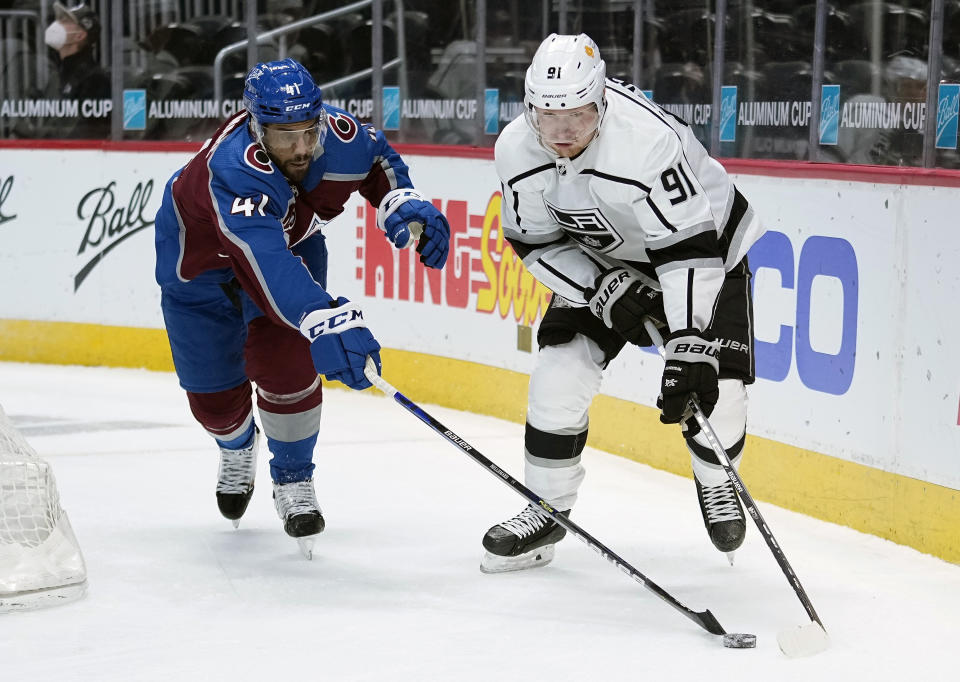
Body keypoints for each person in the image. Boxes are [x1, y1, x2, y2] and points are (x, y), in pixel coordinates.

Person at [481, 34, 766, 572]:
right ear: (529, 109)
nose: (563, 133)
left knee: (714, 393)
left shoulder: (646, 141)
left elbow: (688, 246)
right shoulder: (515, 148)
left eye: (581, 117)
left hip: (706, 250)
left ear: (603, 103)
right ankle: (546, 509)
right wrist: (600, 288)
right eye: (548, 118)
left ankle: (717, 478)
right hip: (603, 255)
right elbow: (535, 242)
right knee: (558, 375)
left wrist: (686, 343)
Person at [154, 58, 450, 557]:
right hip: (200, 267)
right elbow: (262, 261)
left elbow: (379, 160)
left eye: (307, 132)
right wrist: (321, 314)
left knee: (288, 365)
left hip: (289, 246)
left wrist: (399, 200)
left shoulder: (338, 135)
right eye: (284, 135)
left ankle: (293, 477)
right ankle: (235, 444)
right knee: (213, 399)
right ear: (255, 124)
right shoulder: (233, 168)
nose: (301, 147)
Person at [26, 2, 110, 139]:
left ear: (79, 35)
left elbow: (85, 134)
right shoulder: (57, 75)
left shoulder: (95, 80)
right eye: (58, 19)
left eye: (65, 21)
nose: (56, 25)